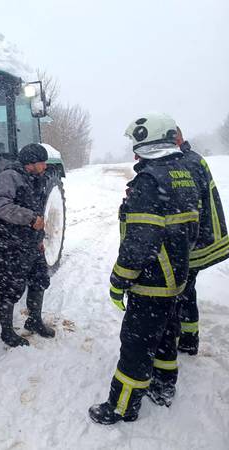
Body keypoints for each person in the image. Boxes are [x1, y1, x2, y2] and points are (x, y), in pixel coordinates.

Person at [89, 112, 200, 424]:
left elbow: (139, 244)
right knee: (166, 334)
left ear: (147, 143)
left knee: (136, 344)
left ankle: (121, 407)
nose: (133, 152)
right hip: (177, 277)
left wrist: (119, 280)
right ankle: (164, 386)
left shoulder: (148, 182)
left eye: (135, 145)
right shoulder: (183, 173)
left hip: (151, 281)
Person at [0, 143, 56, 347]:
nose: (44, 166)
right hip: (10, 243)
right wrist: (29, 218)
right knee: (11, 287)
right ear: (31, 162)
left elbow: (37, 209)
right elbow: (0, 206)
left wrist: (39, 240)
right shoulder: (9, 177)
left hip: (31, 243)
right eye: (41, 162)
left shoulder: (36, 179)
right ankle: (7, 332)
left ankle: (34, 320)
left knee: (39, 279)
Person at [174, 128, 228, 355]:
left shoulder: (188, 163)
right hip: (201, 236)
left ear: (177, 139)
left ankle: (186, 339)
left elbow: (188, 207)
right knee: (186, 289)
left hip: (198, 241)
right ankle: (186, 335)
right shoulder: (191, 158)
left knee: (183, 290)